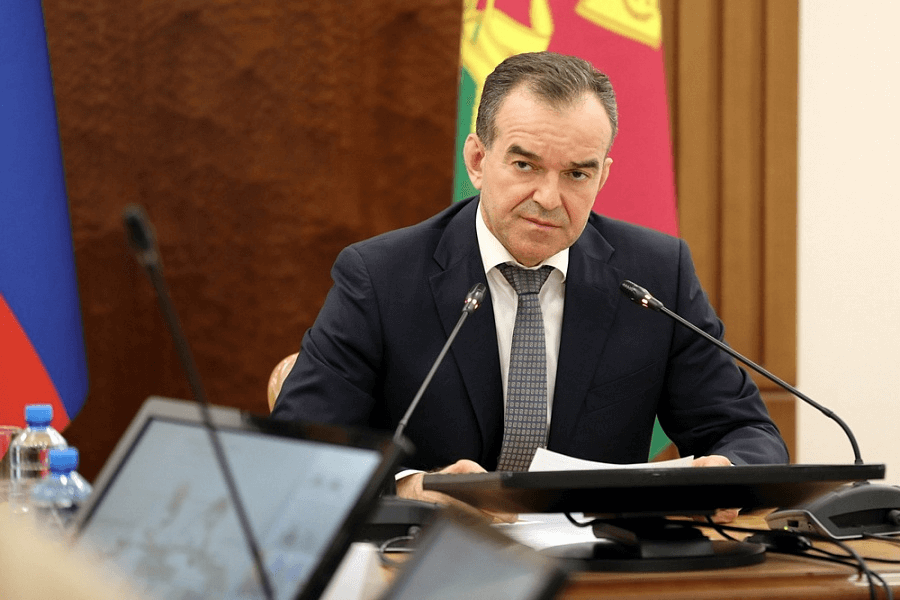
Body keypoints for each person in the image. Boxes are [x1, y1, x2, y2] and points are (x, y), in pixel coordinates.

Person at [272, 51, 788, 521]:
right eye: (525, 165)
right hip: (430, 560)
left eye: (577, 175)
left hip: (602, 567)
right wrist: (408, 489)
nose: (548, 198)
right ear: (477, 160)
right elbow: (299, 452)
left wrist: (726, 468)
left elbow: (747, 433)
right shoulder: (381, 276)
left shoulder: (655, 275)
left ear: (603, 177)